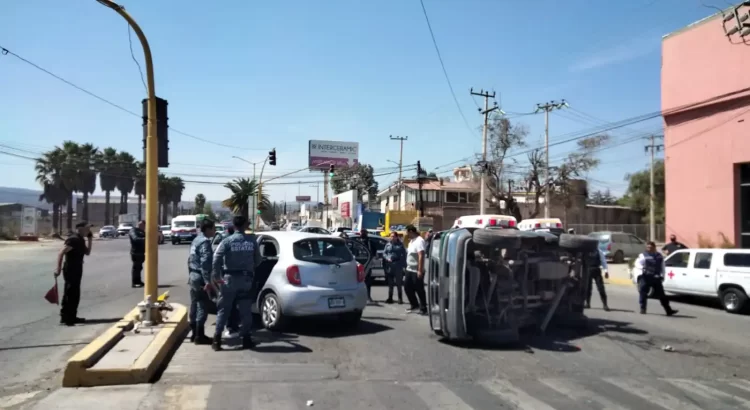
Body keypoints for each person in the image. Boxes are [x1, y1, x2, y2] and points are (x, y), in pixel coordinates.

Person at [211, 215, 261, 351]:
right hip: (245, 280)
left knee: (223, 310)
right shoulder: (252, 241)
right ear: (245, 225)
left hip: (229, 280)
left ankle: (216, 340)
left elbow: (216, 258)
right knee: (245, 311)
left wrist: (216, 276)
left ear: (233, 226)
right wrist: (250, 269)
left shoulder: (227, 241)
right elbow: (258, 260)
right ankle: (246, 339)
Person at [55, 221, 93, 326]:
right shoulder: (74, 239)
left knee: (75, 294)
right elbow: (61, 252)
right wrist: (58, 268)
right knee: (70, 293)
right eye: (87, 228)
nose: (89, 230)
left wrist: (90, 239)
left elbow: (88, 252)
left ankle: (72, 316)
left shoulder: (80, 239)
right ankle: (66, 318)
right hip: (71, 268)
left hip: (77, 268)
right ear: (80, 228)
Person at [188, 219, 216, 345]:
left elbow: (190, 259)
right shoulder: (205, 242)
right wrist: (207, 282)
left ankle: (194, 333)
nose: (214, 231)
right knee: (202, 306)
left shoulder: (196, 240)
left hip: (193, 275)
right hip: (200, 277)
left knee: (194, 304)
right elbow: (205, 264)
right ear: (208, 229)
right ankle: (200, 335)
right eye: (213, 229)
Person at [633, 241, 679, 316]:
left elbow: (662, 267)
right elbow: (637, 263)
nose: (649, 248)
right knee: (643, 292)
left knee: (662, 295)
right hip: (645, 277)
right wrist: (642, 268)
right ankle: (643, 309)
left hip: (656, 277)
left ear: (654, 247)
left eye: (651, 247)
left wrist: (663, 276)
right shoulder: (643, 255)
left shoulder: (659, 256)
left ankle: (668, 310)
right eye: (648, 247)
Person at [404, 225, 427, 314]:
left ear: (411, 231)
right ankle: (414, 305)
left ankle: (423, 308)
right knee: (407, 288)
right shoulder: (411, 241)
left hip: (416, 270)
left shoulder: (419, 241)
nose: (406, 234)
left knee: (419, 289)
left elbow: (421, 255)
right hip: (409, 269)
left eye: (407, 232)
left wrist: (420, 270)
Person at [383, 231, 406, 304]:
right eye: (391, 236)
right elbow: (384, 253)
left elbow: (404, 255)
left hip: (398, 265)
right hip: (390, 266)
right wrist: (387, 258)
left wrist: (404, 266)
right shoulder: (388, 245)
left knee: (398, 283)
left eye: (393, 236)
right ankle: (390, 298)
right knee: (390, 283)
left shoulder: (400, 245)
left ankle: (400, 298)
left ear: (396, 237)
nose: (392, 237)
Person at [585, 246, 610, 311]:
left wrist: (606, 271)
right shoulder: (586, 251)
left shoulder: (599, 251)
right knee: (588, 288)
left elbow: (603, 261)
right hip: (588, 270)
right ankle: (587, 303)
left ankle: (605, 305)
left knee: (601, 288)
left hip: (596, 270)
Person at [356, 228, 376, 302]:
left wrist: (371, 258)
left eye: (364, 232)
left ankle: (368, 296)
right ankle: (359, 297)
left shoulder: (369, 242)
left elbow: (374, 251)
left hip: (368, 263)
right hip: (359, 264)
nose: (363, 234)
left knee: (368, 281)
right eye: (362, 232)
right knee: (358, 281)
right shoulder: (358, 242)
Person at [129, 220, 146, 288]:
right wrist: (146, 239)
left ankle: (138, 281)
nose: (142, 226)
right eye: (140, 225)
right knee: (136, 268)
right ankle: (134, 282)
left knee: (139, 267)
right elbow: (135, 238)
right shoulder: (133, 230)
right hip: (135, 252)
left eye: (143, 225)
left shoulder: (142, 231)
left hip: (141, 252)